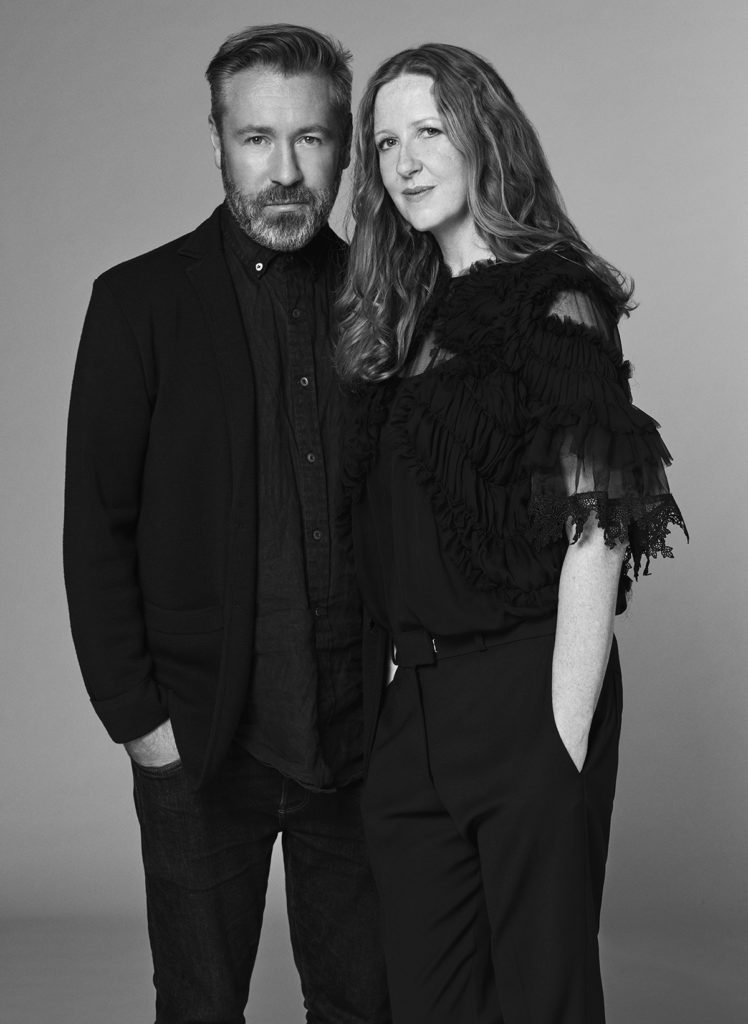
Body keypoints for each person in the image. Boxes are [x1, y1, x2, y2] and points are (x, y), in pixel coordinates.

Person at [337, 43, 687, 1024]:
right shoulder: (403, 314)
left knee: (541, 998)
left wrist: (557, 740)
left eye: (428, 131)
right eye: (384, 143)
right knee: (429, 1001)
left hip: (526, 689)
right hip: (417, 707)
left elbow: (599, 527)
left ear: (484, 136)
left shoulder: (554, 297)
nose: (404, 161)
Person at [64, 23, 390, 1024]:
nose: (284, 171)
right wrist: (140, 725)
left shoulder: (385, 304)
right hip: (200, 745)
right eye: (256, 139)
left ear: (345, 147)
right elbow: (95, 530)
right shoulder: (136, 304)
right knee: (199, 1007)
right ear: (217, 141)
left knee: (365, 1007)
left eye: (310, 139)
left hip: (359, 740)